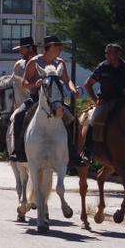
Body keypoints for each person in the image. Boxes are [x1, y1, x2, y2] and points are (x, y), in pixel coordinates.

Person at [10, 35, 81, 163]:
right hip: (36, 99)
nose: (61, 49)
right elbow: (24, 83)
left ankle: (73, 152)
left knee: (72, 118)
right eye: (59, 46)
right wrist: (35, 84)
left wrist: (73, 89)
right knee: (20, 115)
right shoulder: (34, 62)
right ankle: (18, 150)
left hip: (55, 100)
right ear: (51, 47)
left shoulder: (60, 62)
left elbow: (67, 79)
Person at [82, 43, 125, 160]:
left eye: (110, 52)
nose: (107, 55)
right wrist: (96, 100)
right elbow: (88, 84)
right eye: (106, 53)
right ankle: (88, 150)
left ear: (119, 53)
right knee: (94, 119)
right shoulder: (102, 67)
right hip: (106, 101)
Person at [0, 36, 38, 153]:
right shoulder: (18, 65)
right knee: (8, 117)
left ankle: (71, 149)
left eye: (22, 49)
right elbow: (14, 83)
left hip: (44, 97)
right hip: (26, 100)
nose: (20, 52)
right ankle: (4, 144)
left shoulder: (41, 61)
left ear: (30, 48)